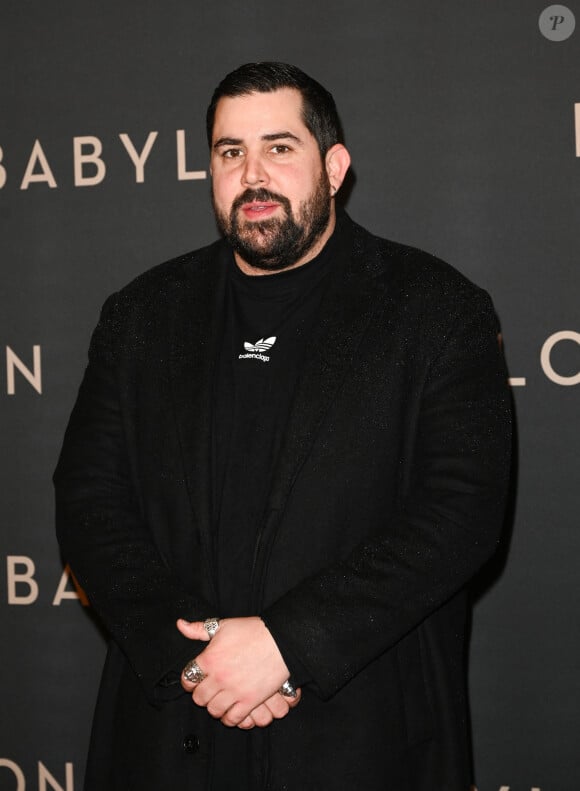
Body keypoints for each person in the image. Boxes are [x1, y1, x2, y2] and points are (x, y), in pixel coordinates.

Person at [54, 62, 512, 791]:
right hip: (173, 728)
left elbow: (461, 512)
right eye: (230, 152)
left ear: (333, 166)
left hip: (365, 733)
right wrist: (196, 660)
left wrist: (290, 645)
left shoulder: (435, 309)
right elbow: (88, 499)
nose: (253, 174)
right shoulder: (142, 315)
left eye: (279, 147)